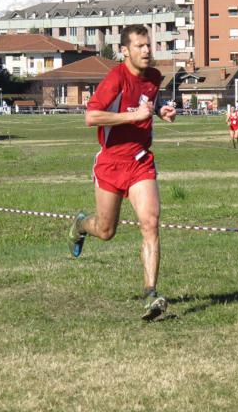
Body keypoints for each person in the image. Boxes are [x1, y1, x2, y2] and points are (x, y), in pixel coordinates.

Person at [67, 24, 176, 321]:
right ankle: (79, 225)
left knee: (151, 223)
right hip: (111, 163)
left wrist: (160, 110)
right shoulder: (115, 78)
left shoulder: (154, 77)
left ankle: (150, 294)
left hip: (140, 161)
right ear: (125, 51)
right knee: (106, 231)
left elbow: (148, 102)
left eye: (148, 45)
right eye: (140, 46)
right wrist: (131, 117)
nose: (147, 51)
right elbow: (91, 116)